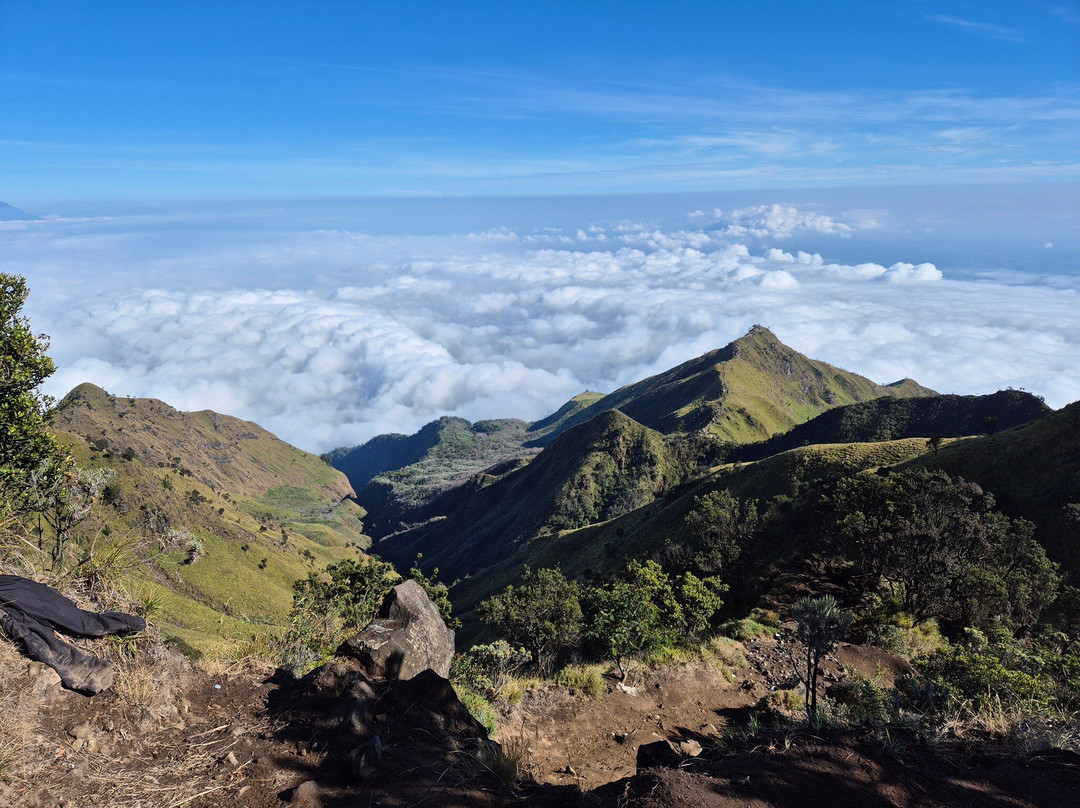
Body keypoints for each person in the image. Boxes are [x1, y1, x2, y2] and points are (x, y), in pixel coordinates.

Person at [0, 575, 145, 695]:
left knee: (78, 622)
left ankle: (123, 623)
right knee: (31, 632)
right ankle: (84, 669)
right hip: (13, 594)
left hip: (15, 588)